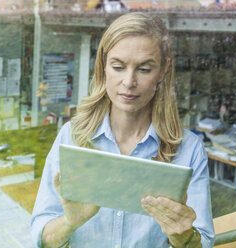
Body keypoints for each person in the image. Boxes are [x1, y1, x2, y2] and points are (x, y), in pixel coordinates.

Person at [31, 12, 215, 248]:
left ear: (163, 71)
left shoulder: (189, 149)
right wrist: (70, 222)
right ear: (103, 66)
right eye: (118, 67)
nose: (129, 82)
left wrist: (184, 238)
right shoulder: (71, 136)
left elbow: (203, 242)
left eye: (144, 70)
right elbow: (41, 238)